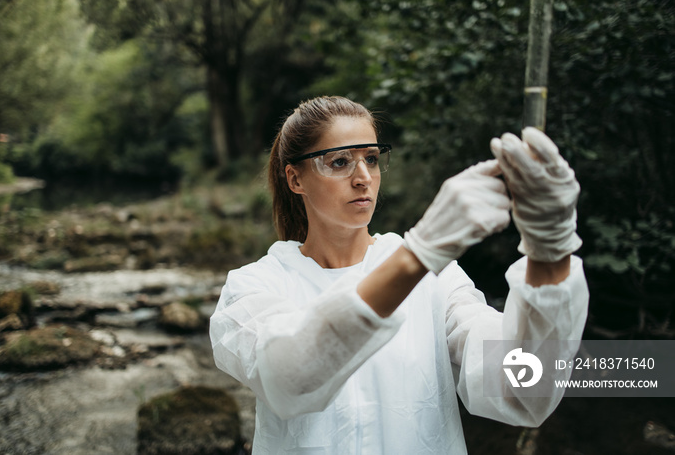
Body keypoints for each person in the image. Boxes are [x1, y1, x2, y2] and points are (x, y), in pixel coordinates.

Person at [209, 96, 589, 454]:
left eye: (371, 159)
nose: (363, 178)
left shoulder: (436, 280)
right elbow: (288, 378)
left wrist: (550, 253)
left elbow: (522, 391)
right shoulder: (252, 287)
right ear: (295, 179)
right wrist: (419, 253)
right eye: (339, 161)